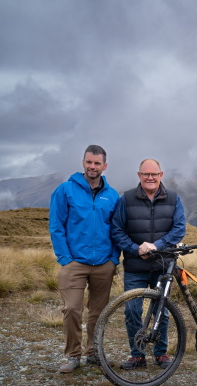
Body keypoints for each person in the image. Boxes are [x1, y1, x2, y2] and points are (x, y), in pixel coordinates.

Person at [111, 158, 186, 370]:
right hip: (135, 266)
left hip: (163, 266)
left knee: (161, 310)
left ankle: (161, 353)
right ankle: (137, 355)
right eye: (146, 174)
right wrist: (138, 249)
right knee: (132, 310)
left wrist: (156, 246)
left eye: (154, 174)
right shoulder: (125, 199)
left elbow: (179, 229)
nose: (150, 178)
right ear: (139, 175)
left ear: (161, 175)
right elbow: (117, 230)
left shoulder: (173, 198)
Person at [49, 145, 119, 373]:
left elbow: (116, 229)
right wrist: (65, 258)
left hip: (103, 264)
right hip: (74, 263)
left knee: (98, 312)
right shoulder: (65, 190)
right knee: (71, 309)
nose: (92, 166)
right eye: (89, 162)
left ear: (104, 166)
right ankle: (73, 355)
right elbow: (56, 225)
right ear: (83, 162)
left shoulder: (112, 195)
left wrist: (113, 259)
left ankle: (93, 352)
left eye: (97, 163)